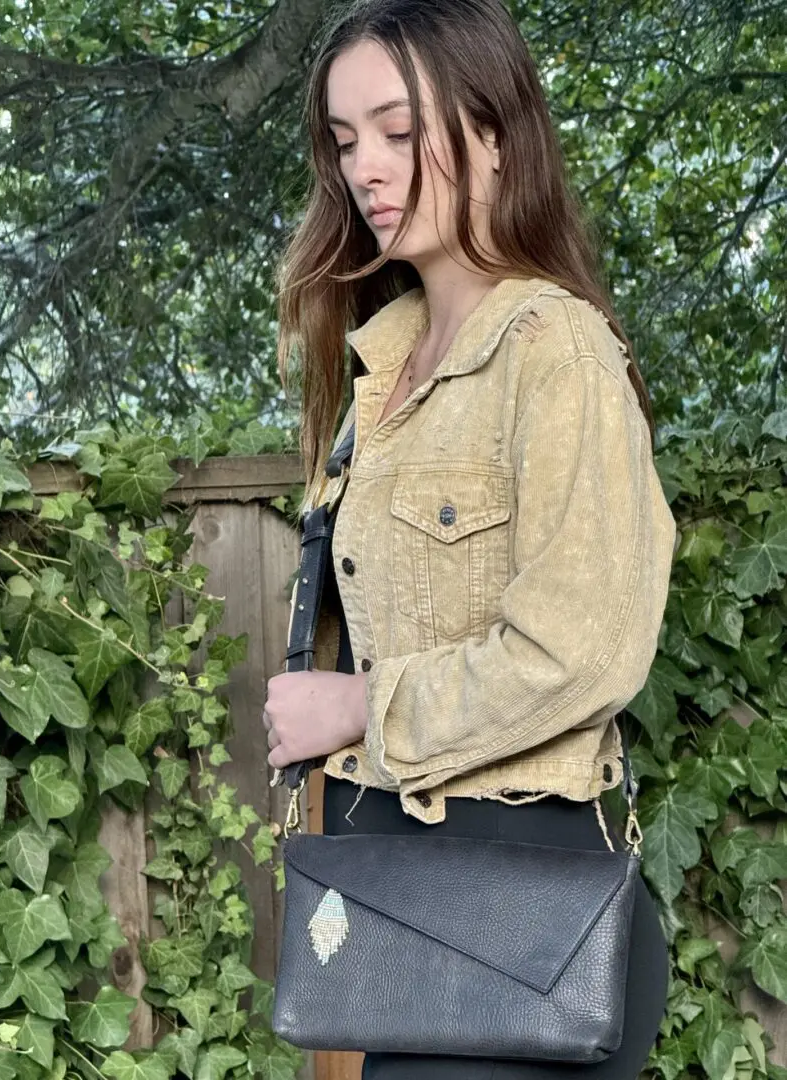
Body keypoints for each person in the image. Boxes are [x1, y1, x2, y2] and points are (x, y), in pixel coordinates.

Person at [262, 1, 677, 1076]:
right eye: (347, 142)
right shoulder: (381, 373)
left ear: (493, 134)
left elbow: (584, 647)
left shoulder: (556, 352)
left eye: (400, 132)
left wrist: (359, 705)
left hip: (520, 912)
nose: (368, 169)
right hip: (405, 901)